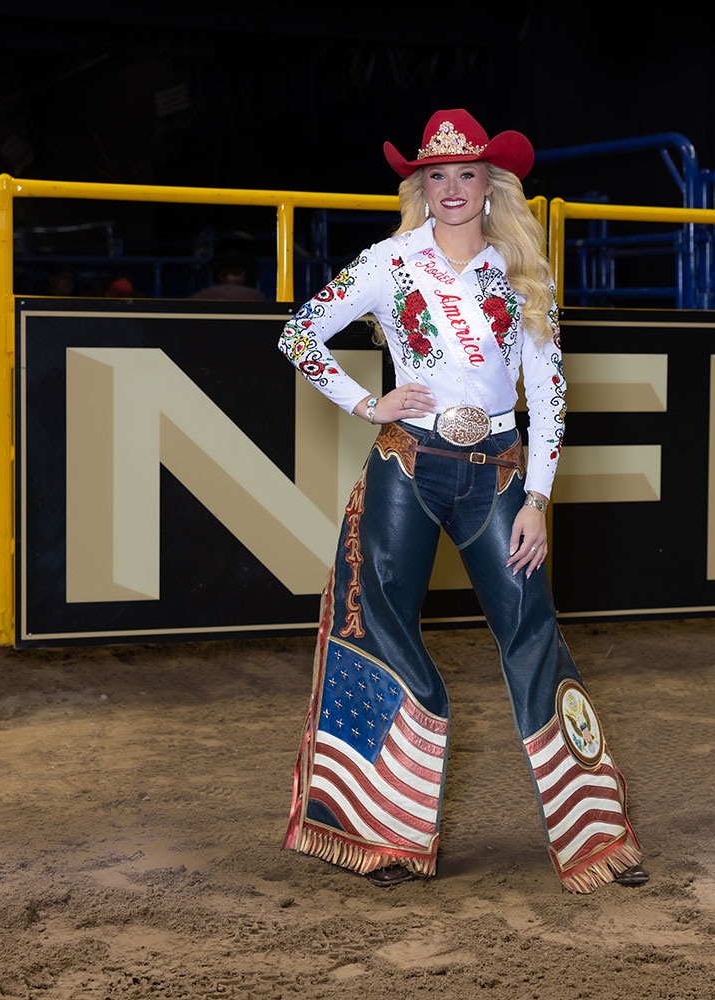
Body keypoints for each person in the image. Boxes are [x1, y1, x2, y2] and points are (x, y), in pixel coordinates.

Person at [278, 109, 647, 893]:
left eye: (465, 174)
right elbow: (302, 333)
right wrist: (365, 401)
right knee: (382, 627)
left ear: (491, 185)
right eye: (434, 176)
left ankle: (595, 839)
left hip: (500, 475)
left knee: (532, 631)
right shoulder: (387, 260)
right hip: (407, 465)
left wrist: (538, 500)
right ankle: (385, 837)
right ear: (421, 186)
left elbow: (549, 398)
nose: (449, 188)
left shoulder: (522, 271)